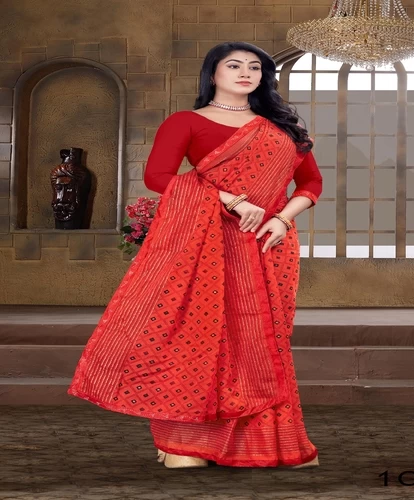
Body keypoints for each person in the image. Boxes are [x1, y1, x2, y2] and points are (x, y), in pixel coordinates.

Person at [68, 41, 323, 469]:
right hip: (206, 241)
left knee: (262, 342)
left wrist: (282, 219)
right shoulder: (186, 121)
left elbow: (311, 183)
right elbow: (158, 176)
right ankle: (184, 442)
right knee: (199, 338)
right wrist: (230, 199)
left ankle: (268, 440)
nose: (246, 73)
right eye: (234, 65)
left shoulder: (282, 128)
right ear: (213, 73)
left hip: (267, 244)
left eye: (255, 67)